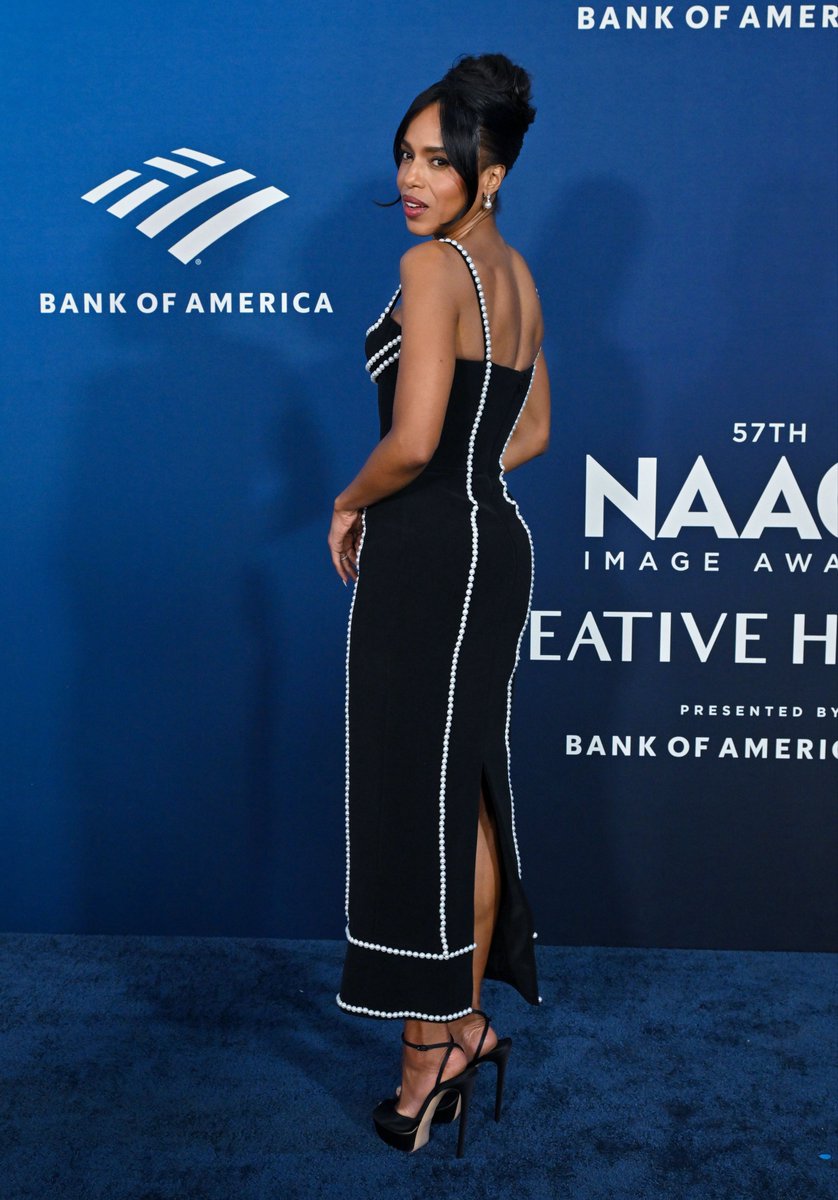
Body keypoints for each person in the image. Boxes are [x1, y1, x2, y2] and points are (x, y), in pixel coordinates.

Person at [327, 52, 550, 1156]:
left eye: (439, 158)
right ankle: (461, 1024)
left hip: (428, 550)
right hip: (489, 539)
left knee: (419, 800)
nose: (414, 178)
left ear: (490, 169)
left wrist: (345, 503)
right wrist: (466, 474)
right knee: (459, 792)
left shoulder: (431, 273)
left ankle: (429, 1050)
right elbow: (535, 433)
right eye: (405, 157)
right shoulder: (512, 274)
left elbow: (411, 442)